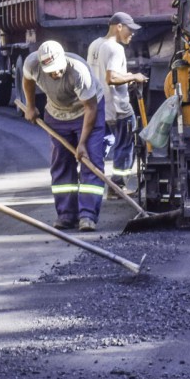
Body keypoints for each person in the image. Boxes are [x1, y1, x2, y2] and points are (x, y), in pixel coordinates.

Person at [22, 40, 107, 232]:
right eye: (50, 71)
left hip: (86, 113)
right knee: (61, 162)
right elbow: (26, 80)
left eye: (58, 69)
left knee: (90, 161)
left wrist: (82, 143)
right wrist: (30, 105)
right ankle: (66, 215)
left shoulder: (78, 71)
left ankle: (87, 216)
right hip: (57, 114)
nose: (56, 73)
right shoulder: (32, 64)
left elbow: (91, 108)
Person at [86, 12, 148, 197]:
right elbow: (111, 78)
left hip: (100, 105)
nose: (132, 34)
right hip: (118, 107)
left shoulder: (95, 45)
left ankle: (94, 181)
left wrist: (126, 79)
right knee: (126, 145)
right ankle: (117, 187)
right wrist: (134, 76)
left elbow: (100, 76)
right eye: (130, 29)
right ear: (119, 26)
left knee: (100, 146)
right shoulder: (115, 48)